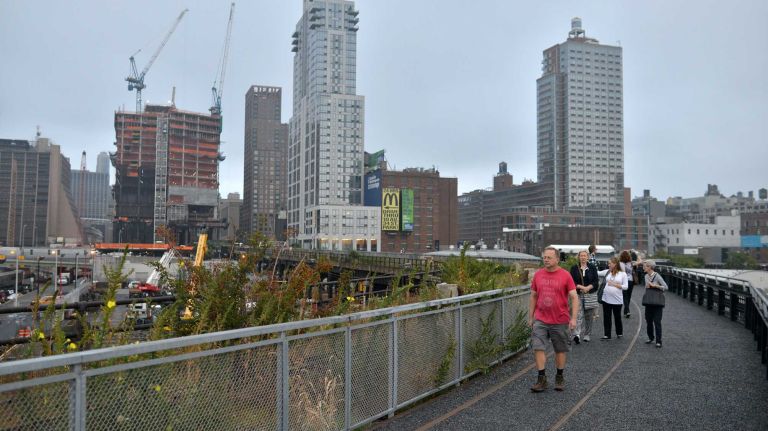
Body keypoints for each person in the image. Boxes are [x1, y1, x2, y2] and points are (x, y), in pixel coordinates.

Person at [529, 247, 579, 392]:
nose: (546, 259)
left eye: (549, 257)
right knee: (538, 347)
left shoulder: (565, 275)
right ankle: (541, 378)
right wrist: (530, 317)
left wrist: (574, 318)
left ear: (557, 259)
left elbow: (574, 297)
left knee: (560, 350)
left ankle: (559, 376)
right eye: (544, 257)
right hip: (541, 319)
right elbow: (533, 296)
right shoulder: (538, 275)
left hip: (560, 319)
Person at [569, 250, 599, 343]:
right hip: (577, 294)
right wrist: (581, 287)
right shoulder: (574, 268)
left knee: (589, 315)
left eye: (584, 256)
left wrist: (588, 288)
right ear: (579, 257)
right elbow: (571, 281)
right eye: (581, 255)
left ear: (588, 257)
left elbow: (596, 281)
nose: (583, 257)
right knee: (578, 314)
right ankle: (576, 334)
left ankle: (587, 334)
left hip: (589, 294)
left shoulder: (593, 267)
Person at [598, 257, 628, 339]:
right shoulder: (608, 272)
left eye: (610, 263)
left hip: (617, 300)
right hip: (606, 298)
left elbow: (625, 287)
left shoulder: (623, 274)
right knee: (606, 317)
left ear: (615, 264)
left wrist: (614, 284)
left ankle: (619, 333)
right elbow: (597, 273)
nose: (608, 265)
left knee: (617, 317)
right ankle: (607, 335)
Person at [642, 260, 668, 348]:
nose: (643, 267)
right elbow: (647, 286)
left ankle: (659, 341)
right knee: (648, 320)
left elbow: (666, 287)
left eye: (645, 266)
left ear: (649, 267)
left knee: (657, 321)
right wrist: (649, 286)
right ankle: (651, 337)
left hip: (657, 302)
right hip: (649, 301)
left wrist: (655, 285)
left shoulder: (657, 276)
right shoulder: (646, 276)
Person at [619, 250, 635, 318]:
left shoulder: (620, 263)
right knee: (629, 296)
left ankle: (627, 310)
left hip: (624, 281)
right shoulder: (631, 263)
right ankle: (626, 311)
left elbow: (622, 272)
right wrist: (634, 252)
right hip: (631, 280)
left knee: (624, 296)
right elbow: (640, 261)